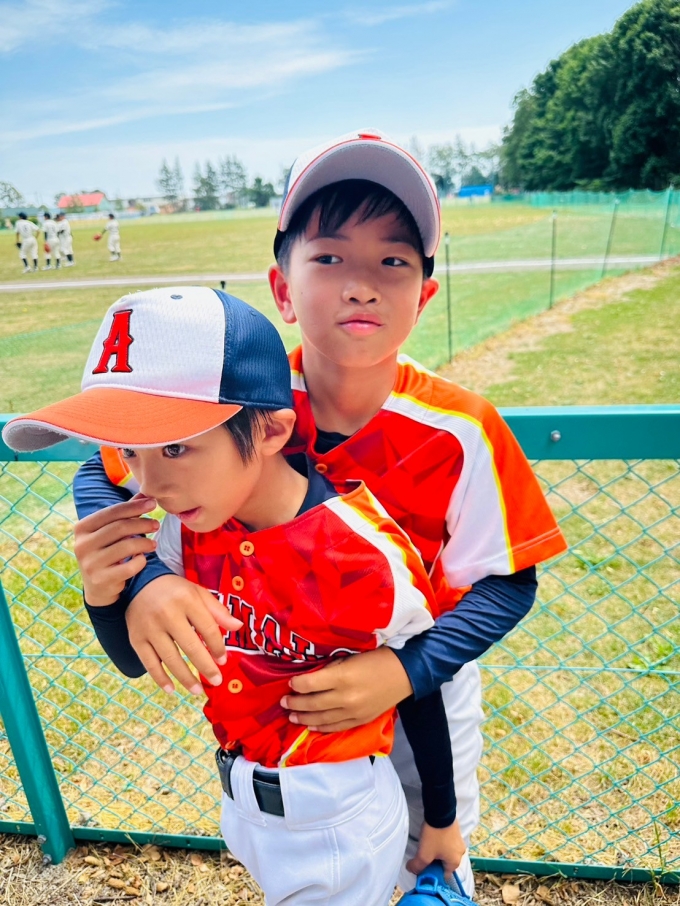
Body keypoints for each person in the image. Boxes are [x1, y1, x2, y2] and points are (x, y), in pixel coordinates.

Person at [67, 130, 567, 896]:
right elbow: (100, 471)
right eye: (329, 257)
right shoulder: (244, 398)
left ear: (424, 295)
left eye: (392, 261)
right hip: (294, 693)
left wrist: (405, 670)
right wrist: (144, 584)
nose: (360, 285)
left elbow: (510, 582)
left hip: (422, 681)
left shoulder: (461, 429)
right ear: (281, 287)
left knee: (432, 853)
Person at [3, 288, 465, 906]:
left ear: (271, 429)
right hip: (243, 808)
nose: (150, 484)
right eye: (131, 452)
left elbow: (421, 691)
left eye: (175, 446)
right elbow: (134, 658)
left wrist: (441, 819)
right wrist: (108, 591)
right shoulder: (184, 527)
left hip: (338, 817)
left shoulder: (361, 551)